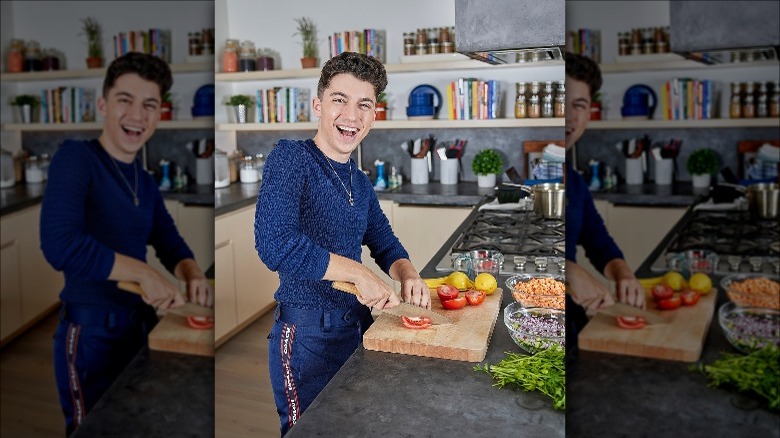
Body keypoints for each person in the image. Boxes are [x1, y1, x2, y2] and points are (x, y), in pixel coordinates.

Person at [255, 52, 430, 436]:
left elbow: (384, 241)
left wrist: (408, 273)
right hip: (305, 336)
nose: (351, 115)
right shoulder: (290, 159)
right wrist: (360, 274)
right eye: (340, 99)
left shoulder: (360, 181)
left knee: (354, 427)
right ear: (318, 105)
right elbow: (275, 244)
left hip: (357, 328)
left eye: (363, 104)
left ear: (373, 116)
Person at [39, 52, 214, 435]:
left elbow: (168, 240)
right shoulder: (76, 159)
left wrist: (191, 270)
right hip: (89, 335)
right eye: (125, 100)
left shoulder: (144, 181)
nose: (137, 114)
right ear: (103, 104)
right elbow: (59, 243)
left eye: (149, 104)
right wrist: (145, 274)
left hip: (139, 328)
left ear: (158, 115)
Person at [564, 52, 645, 352]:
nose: (569, 116)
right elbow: (516, 252)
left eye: (579, 105)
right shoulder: (530, 178)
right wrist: (570, 271)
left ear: (588, 114)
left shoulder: (574, 180)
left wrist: (623, 274)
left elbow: (598, 243)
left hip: (573, 322)